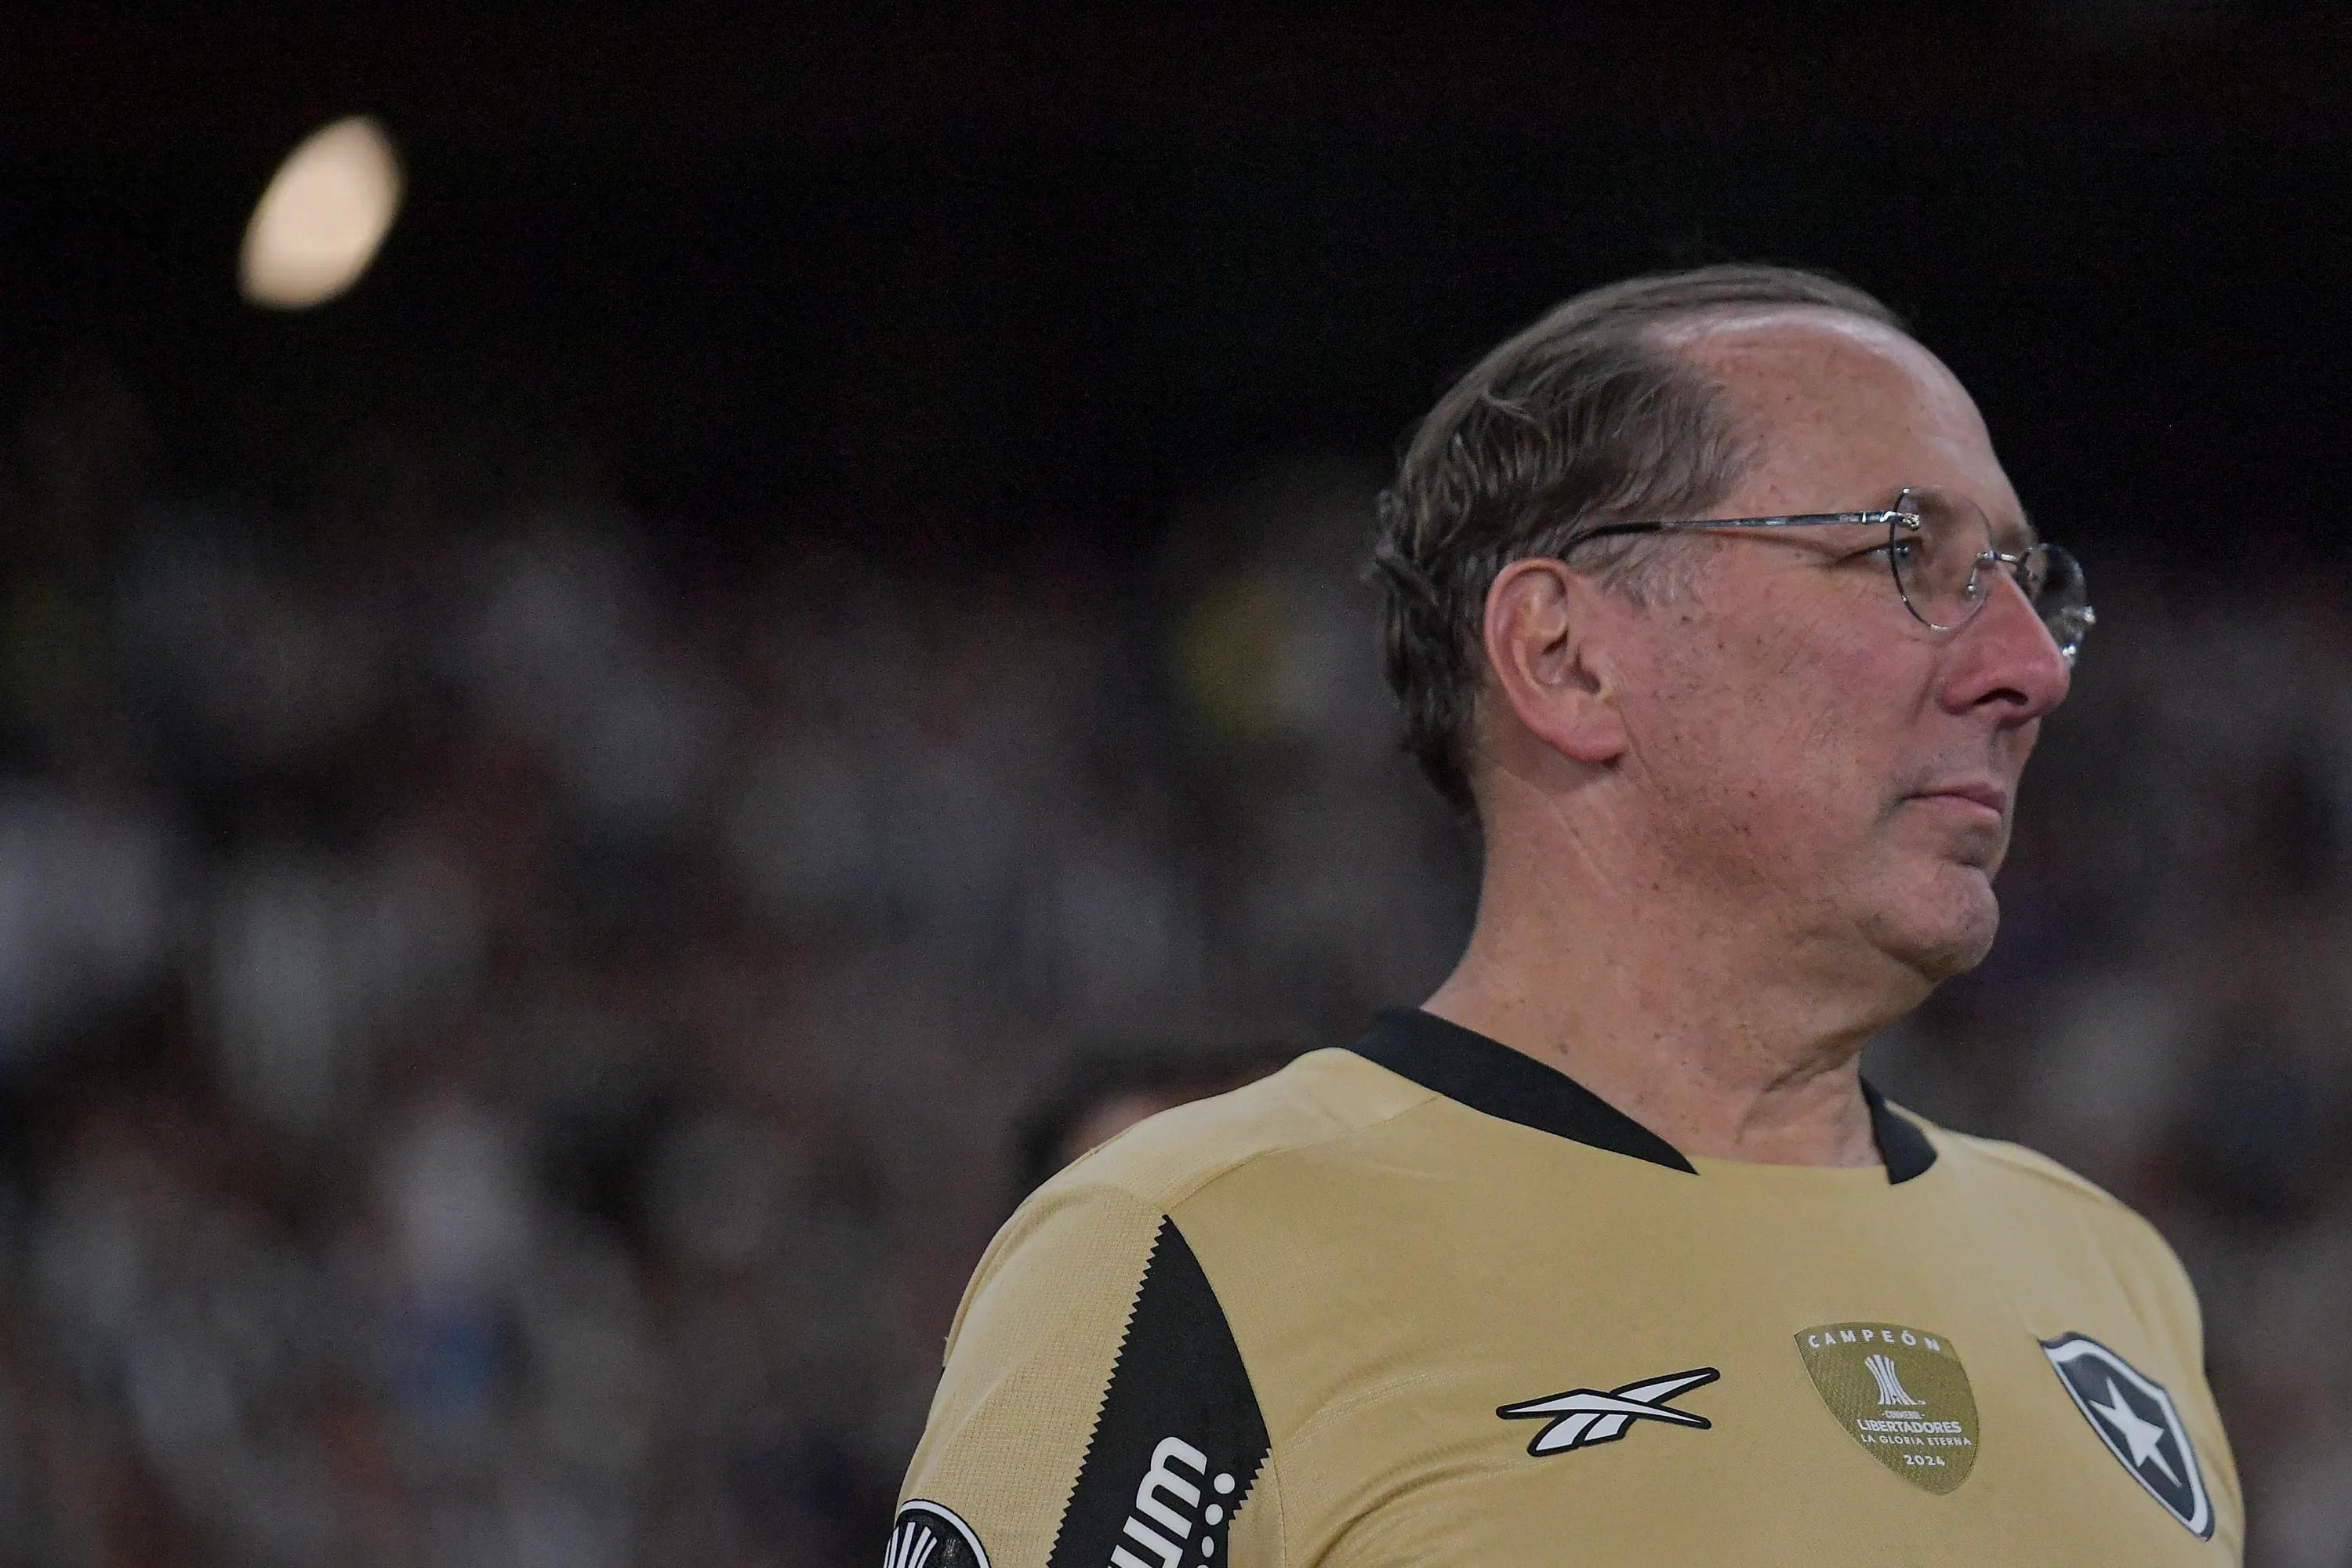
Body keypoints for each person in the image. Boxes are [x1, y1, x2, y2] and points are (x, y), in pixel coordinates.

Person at [887, 267, 2242, 1566]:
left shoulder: (2109, 1279)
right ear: (1565, 656)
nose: (2029, 670)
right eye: (1905, 554)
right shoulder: (1189, 1249)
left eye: (2022, 583)